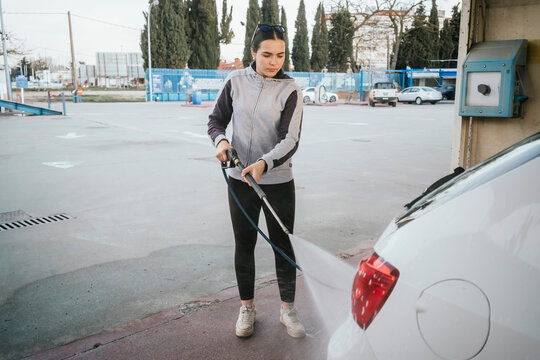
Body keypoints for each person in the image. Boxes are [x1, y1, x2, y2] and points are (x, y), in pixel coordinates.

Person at [207, 24, 305, 338]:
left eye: (280, 55)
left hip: (277, 181)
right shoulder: (234, 81)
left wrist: (264, 163)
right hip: (239, 180)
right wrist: (221, 142)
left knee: (283, 246)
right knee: (245, 244)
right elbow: (215, 121)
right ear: (253, 52)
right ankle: (246, 309)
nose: (274, 61)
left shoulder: (290, 89)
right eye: (267, 54)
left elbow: (290, 139)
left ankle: (288, 310)